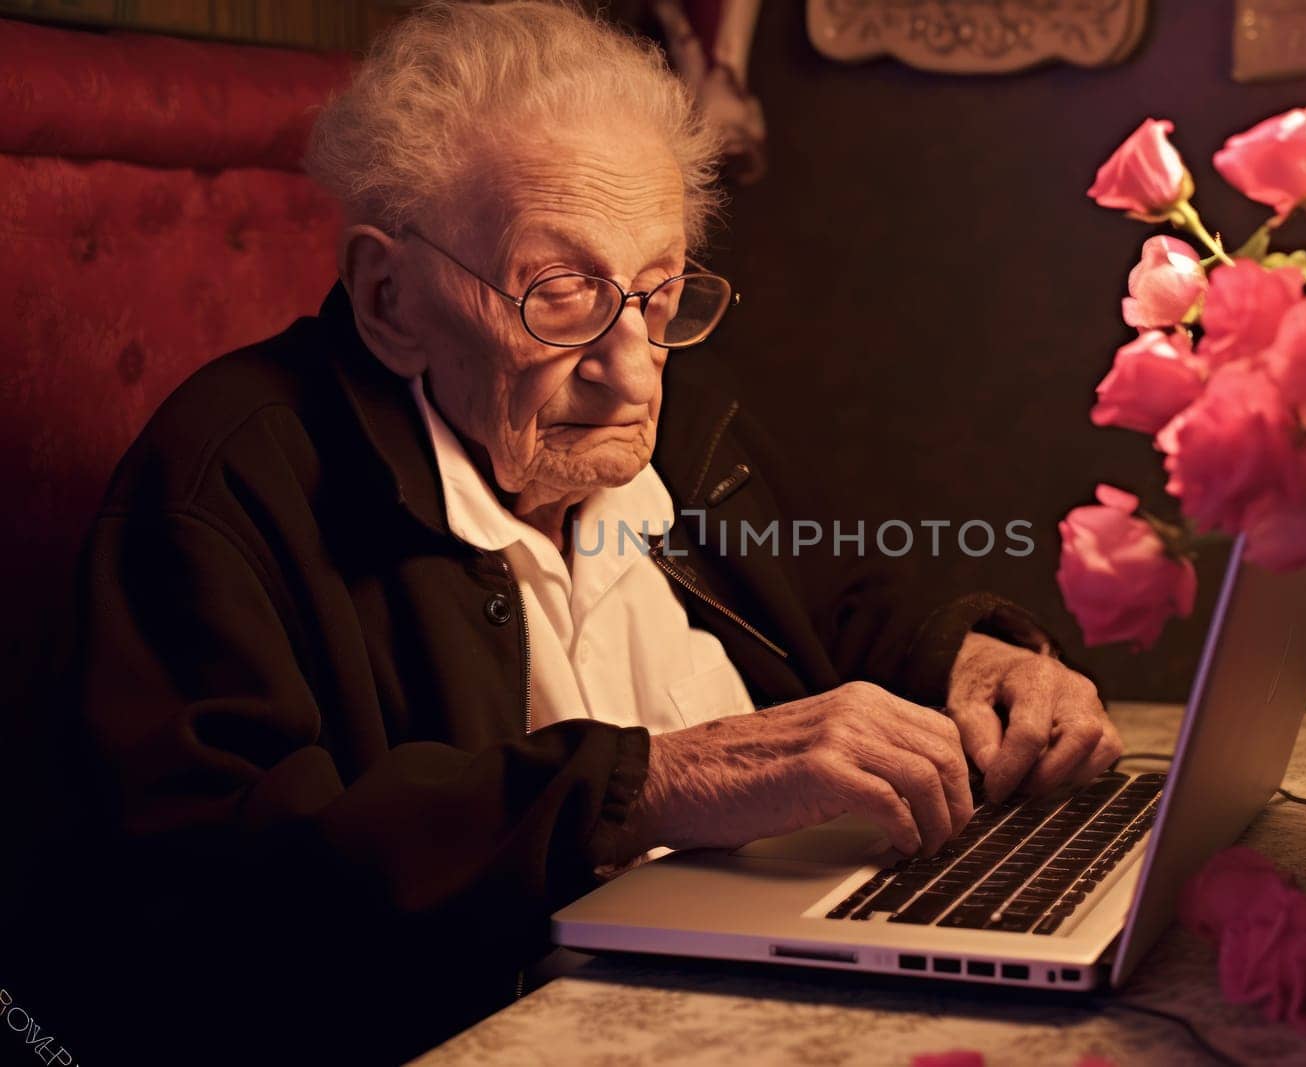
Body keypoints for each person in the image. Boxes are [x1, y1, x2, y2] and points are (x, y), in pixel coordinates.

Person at [28, 3, 1118, 1062]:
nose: (633, 367)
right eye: (561, 294)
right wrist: (643, 783)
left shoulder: (678, 419)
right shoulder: (228, 481)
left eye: (658, 291)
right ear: (390, 298)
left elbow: (821, 604)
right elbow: (212, 893)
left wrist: (968, 659)